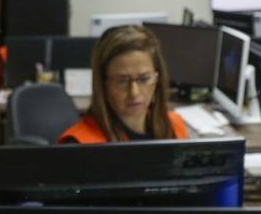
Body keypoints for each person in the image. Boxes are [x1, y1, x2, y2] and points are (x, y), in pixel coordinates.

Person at [58, 25, 187, 143]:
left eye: (144, 79)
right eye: (122, 81)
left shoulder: (175, 127)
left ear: (157, 78)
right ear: (103, 84)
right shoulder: (80, 143)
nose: (134, 92)